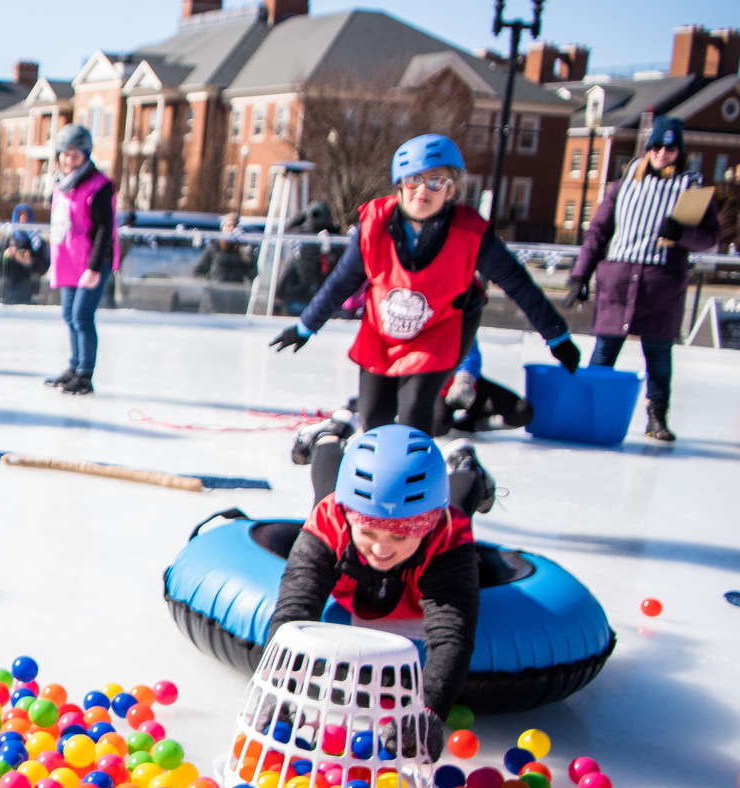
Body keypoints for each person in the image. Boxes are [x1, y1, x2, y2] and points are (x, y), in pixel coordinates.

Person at [271, 134, 579, 513]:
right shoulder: (374, 225)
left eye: (436, 182)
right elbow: (341, 283)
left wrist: (557, 335)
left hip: (440, 329)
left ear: (452, 189)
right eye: (414, 180)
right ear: (400, 184)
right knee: (375, 419)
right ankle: (369, 501)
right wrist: (305, 326)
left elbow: (518, 283)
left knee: (416, 413)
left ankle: (417, 507)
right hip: (383, 331)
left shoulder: (471, 233)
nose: (423, 190)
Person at [267, 425, 479, 730]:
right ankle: (329, 437)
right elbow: (293, 613)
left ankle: (466, 465)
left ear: (426, 527)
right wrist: (281, 688)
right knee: (325, 491)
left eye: (400, 535)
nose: (381, 548)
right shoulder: (330, 523)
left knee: (458, 504)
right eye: (367, 531)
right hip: (348, 565)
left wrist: (428, 712)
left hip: (422, 574)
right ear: (349, 517)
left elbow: (451, 636)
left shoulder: (447, 537)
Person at [565, 116, 722, 442]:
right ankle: (588, 411)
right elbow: (598, 232)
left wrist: (682, 233)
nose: (662, 153)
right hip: (618, 282)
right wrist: (580, 275)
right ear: (648, 147)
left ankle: (656, 416)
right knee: (604, 351)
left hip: (660, 286)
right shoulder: (623, 186)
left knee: (659, 356)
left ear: (680, 151)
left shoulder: (690, 190)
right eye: (657, 146)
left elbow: (709, 239)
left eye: (670, 147)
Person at [42, 125, 116, 396]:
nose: (69, 160)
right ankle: (74, 367)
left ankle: (85, 373)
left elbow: (105, 229)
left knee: (81, 317)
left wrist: (95, 267)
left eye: (75, 155)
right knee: (68, 316)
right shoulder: (61, 184)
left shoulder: (98, 186)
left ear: (86, 154)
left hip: (90, 263)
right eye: (65, 154)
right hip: (68, 262)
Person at [192, 212, 256, 314]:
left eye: (235, 226)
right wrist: (210, 284)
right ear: (222, 228)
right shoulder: (213, 248)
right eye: (229, 226)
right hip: (214, 301)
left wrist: (249, 259)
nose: (232, 229)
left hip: (235, 301)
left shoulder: (242, 250)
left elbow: (252, 275)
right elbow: (197, 272)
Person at [0, 204, 46, 305]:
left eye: (26, 216)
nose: (23, 219)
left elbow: (44, 266)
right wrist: (5, 256)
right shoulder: (5, 240)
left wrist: (30, 262)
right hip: (5, 292)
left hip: (29, 293)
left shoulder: (37, 242)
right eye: (20, 215)